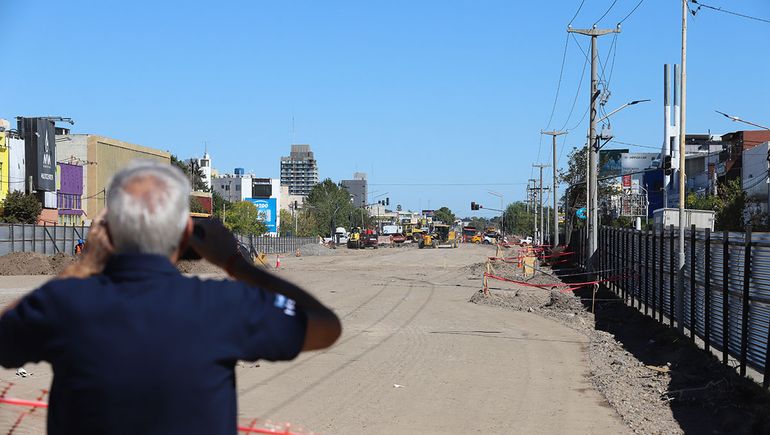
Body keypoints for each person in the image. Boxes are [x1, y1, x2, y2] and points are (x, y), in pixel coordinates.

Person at [0, 161, 341, 434]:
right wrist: (236, 264)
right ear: (187, 232)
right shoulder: (223, 305)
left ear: (107, 230)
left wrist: (83, 265)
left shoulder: (63, 303)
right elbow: (325, 326)